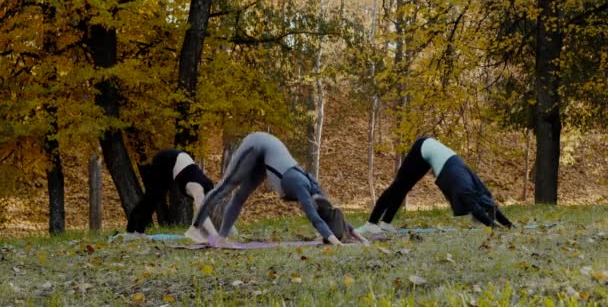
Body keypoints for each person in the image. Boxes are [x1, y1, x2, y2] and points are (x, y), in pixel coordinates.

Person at [189, 132, 368, 248]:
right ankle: (196, 227)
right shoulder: (302, 188)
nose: (304, 207)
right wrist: (337, 243)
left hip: (267, 156)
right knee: (226, 187)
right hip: (257, 142)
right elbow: (315, 219)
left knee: (240, 197)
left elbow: (333, 214)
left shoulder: (317, 191)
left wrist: (362, 239)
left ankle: (221, 238)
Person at [358, 136, 513, 235]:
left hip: (434, 154)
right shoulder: (464, 188)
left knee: (405, 187)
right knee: (398, 186)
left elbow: (489, 205)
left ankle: (385, 223)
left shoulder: (473, 184)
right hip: (423, 147)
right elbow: (476, 209)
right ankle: (371, 223)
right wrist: (496, 229)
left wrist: (509, 225)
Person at [126, 149, 219, 240]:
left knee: (158, 197)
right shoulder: (198, 189)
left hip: (178, 161)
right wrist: (216, 237)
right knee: (152, 196)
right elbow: (202, 215)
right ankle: (131, 231)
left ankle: (139, 231)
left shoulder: (208, 186)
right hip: (165, 159)